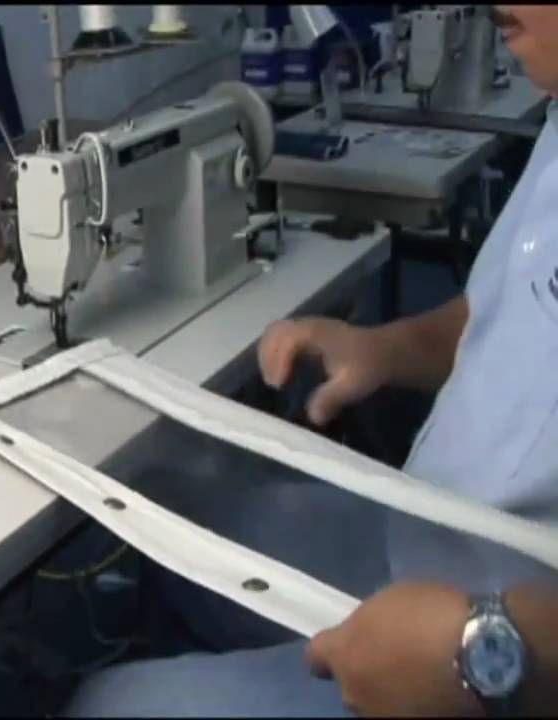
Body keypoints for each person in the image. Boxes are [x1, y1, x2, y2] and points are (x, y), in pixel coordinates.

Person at [66, 6, 558, 716]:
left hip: (502, 646)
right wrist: (382, 348)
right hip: (432, 530)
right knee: (172, 511)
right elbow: (504, 312)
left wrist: (496, 654)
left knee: (104, 704)